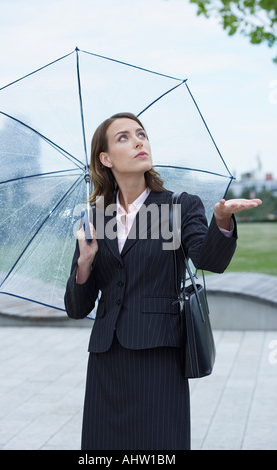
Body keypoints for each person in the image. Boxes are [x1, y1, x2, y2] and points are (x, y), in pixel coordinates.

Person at [64, 112, 261, 450]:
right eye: (124, 137)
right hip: (106, 360)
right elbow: (77, 308)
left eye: (141, 134)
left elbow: (209, 260)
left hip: (159, 357)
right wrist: (84, 264)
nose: (139, 141)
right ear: (106, 158)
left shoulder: (177, 207)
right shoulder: (96, 216)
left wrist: (222, 220)